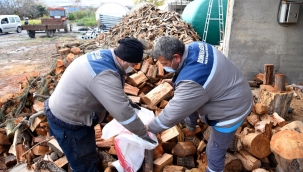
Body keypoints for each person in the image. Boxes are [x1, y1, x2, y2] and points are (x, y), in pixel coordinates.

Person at [43, 37, 156, 172]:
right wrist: (143, 134)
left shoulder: (108, 56)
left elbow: (111, 92)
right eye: (133, 65)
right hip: (69, 122)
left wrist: (128, 103)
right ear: (124, 59)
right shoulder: (104, 74)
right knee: (84, 166)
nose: (134, 68)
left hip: (75, 113)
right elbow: (123, 114)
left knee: (88, 156)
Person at [147, 36, 253, 172]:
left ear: (176, 57)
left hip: (233, 108)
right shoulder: (196, 46)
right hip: (235, 87)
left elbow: (171, 114)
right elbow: (190, 73)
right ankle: (190, 125)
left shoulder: (192, 82)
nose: (163, 67)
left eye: (165, 63)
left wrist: (150, 128)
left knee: (214, 151)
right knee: (190, 99)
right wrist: (176, 82)